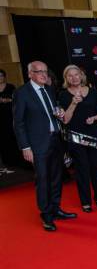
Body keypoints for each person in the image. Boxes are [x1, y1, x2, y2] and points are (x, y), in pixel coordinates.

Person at [13, 61, 77, 231]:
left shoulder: (48, 89)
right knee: (43, 180)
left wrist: (60, 112)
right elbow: (18, 123)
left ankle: (56, 209)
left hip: (55, 140)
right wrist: (25, 147)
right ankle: (46, 214)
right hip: (37, 145)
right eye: (38, 71)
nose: (43, 74)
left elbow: (52, 111)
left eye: (45, 71)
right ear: (30, 74)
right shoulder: (22, 93)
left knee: (57, 177)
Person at [58, 65, 97, 212]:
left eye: (76, 74)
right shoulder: (63, 95)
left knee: (95, 168)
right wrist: (73, 103)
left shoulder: (92, 92)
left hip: (93, 135)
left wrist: (94, 117)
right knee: (82, 169)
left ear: (81, 76)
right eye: (70, 75)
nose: (74, 78)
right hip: (75, 137)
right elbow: (65, 120)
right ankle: (85, 202)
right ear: (66, 78)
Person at [0, 69, 21, 168]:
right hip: (1, 117)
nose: (0, 78)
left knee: (13, 136)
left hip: (10, 115)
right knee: (3, 138)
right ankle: (7, 161)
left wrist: (7, 100)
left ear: (4, 77)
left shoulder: (10, 86)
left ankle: (17, 160)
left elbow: (17, 99)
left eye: (1, 76)